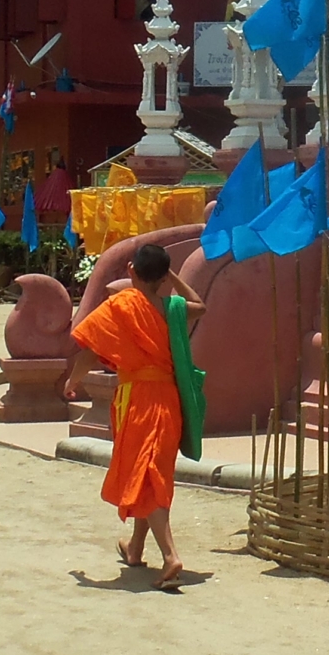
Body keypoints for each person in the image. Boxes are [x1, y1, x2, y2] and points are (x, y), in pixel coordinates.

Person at [65, 242, 205, 590]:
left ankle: (171, 555)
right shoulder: (172, 307)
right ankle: (135, 546)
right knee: (152, 471)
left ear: (131, 270)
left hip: (139, 400)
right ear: (162, 278)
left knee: (146, 474)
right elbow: (201, 306)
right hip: (169, 399)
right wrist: (170, 274)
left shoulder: (121, 304)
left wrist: (73, 380)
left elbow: (90, 350)